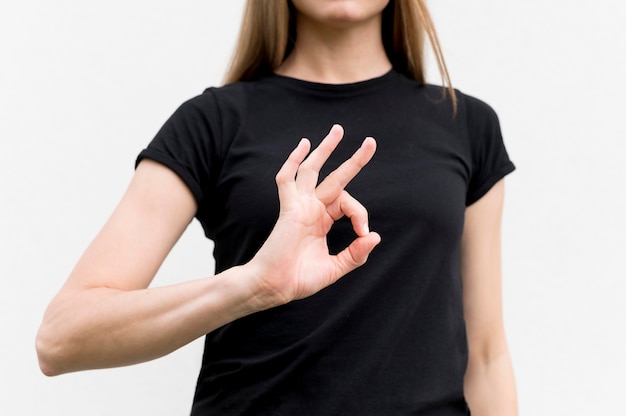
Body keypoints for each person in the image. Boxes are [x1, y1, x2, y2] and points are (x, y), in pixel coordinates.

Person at [36, 0, 518, 414]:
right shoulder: (213, 123)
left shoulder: (467, 124)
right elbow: (61, 338)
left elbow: (488, 353)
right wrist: (251, 286)